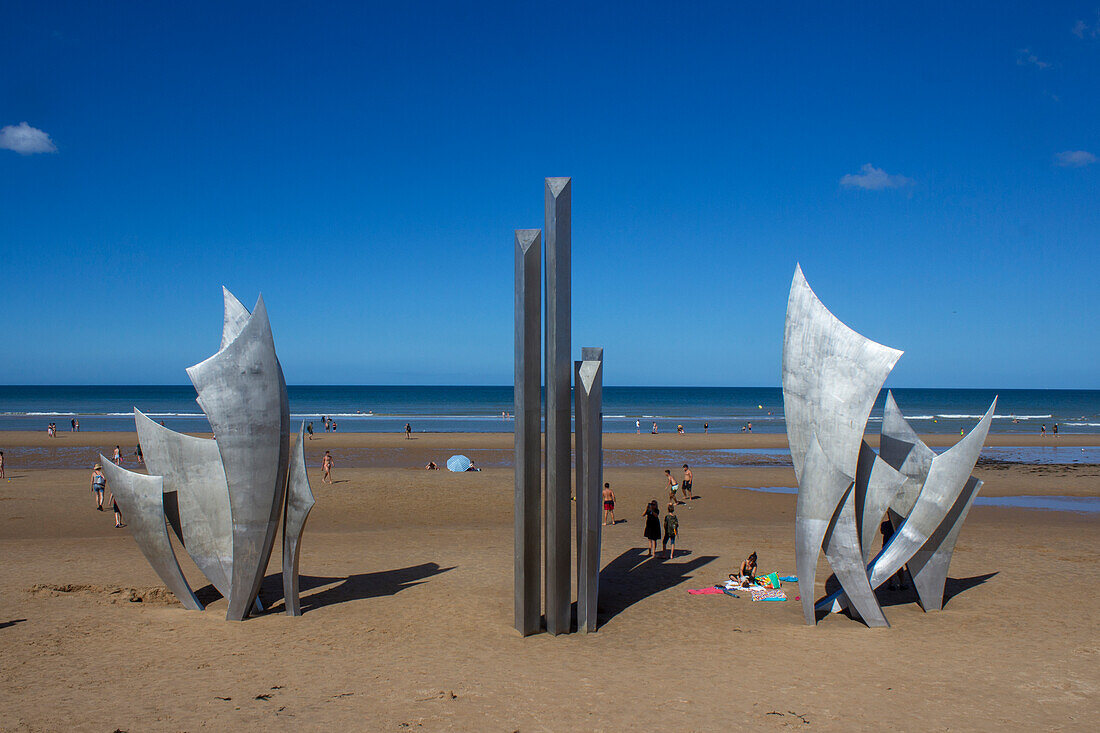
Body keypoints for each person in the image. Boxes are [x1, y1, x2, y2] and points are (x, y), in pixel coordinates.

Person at [880, 518, 907, 590]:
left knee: (888, 566)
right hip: (896, 547)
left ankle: (891, 584)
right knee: (899, 566)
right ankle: (902, 584)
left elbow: (882, 532)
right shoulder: (897, 524)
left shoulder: (884, 524)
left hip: (887, 547)